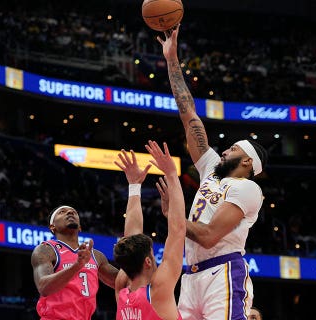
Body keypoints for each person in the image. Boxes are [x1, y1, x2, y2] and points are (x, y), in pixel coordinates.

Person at [158, 25, 269, 320]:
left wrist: (174, 216)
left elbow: (208, 237)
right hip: (191, 275)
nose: (224, 151)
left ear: (247, 162)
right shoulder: (211, 170)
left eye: (233, 149)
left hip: (222, 271)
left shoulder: (248, 189)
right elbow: (188, 113)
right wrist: (171, 60)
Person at [112, 141, 185, 320]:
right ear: (147, 261)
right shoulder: (158, 290)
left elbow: (131, 237)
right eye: (152, 254)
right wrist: (172, 174)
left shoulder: (122, 288)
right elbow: (178, 230)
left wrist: (135, 186)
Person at [31, 205, 119, 320]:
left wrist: (127, 258)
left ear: (80, 227)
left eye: (74, 212)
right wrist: (77, 265)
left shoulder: (95, 255)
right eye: (62, 212)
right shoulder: (46, 250)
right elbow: (44, 288)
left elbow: (123, 283)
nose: (70, 213)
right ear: (52, 227)